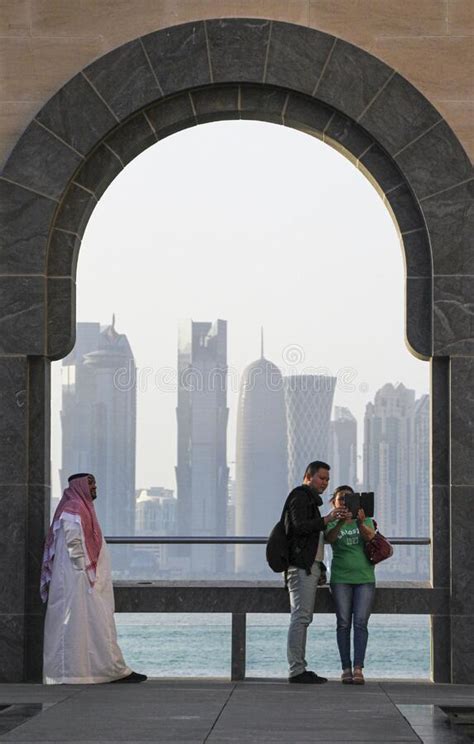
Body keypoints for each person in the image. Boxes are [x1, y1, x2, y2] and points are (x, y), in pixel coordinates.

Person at [41, 473, 147, 684]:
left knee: (94, 625)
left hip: (84, 581)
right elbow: (73, 543)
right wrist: (83, 571)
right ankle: (71, 674)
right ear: (79, 486)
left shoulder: (80, 508)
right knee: (74, 625)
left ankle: (102, 671)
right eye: (90, 484)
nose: (94, 487)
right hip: (75, 580)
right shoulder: (73, 508)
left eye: (95, 483)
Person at [285, 461, 349, 684]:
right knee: (301, 617)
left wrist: (319, 566)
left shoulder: (309, 500)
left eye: (327, 480)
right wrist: (327, 519)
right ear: (308, 476)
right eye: (321, 478)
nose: (325, 483)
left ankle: (299, 667)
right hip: (301, 567)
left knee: (303, 617)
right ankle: (296, 670)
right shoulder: (300, 497)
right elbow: (299, 527)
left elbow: (312, 538)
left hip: (309, 566)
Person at [325, 485, 377, 685]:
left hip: (364, 578)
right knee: (343, 623)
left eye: (349, 499)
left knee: (361, 624)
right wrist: (339, 521)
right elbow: (330, 539)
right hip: (340, 579)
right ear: (334, 503)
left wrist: (361, 521)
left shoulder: (366, 519)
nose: (344, 502)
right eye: (340, 499)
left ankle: (358, 668)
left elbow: (371, 538)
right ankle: (345, 668)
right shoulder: (331, 522)